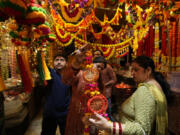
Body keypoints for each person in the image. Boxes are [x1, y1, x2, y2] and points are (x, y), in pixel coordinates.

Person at [89, 56, 172, 135]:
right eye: (132, 70)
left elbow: (142, 129)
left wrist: (109, 126)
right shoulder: (155, 86)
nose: (132, 73)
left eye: (136, 70)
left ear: (148, 70)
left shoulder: (145, 90)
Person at [41, 54, 71, 135]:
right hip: (50, 113)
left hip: (65, 113)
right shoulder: (49, 74)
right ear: (53, 63)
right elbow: (41, 64)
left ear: (66, 63)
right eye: (57, 60)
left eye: (62, 60)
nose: (59, 62)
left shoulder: (70, 76)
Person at [93, 56, 117, 121]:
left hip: (106, 94)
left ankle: (113, 126)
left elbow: (114, 79)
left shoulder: (107, 67)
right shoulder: (90, 71)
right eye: (98, 66)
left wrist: (105, 85)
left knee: (107, 112)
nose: (99, 69)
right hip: (96, 96)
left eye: (101, 68)